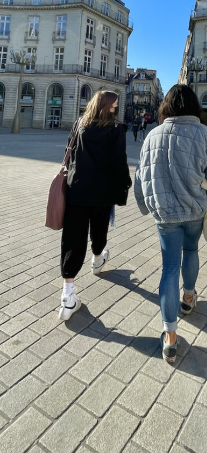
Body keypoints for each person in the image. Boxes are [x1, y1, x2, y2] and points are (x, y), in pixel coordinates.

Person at [134, 84, 207, 362]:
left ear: (166, 106)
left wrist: (144, 204)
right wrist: (200, 184)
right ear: (194, 106)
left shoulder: (152, 135)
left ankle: (170, 337)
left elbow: (141, 175)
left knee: (169, 267)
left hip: (165, 214)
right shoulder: (206, 134)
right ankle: (188, 298)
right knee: (192, 252)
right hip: (195, 209)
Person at [59, 90, 132, 321]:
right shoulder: (115, 129)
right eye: (114, 106)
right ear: (107, 107)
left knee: (72, 239)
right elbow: (119, 162)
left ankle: (67, 295)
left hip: (76, 190)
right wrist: (127, 181)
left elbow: (68, 154)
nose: (116, 109)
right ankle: (97, 258)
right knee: (99, 229)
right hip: (102, 192)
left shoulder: (79, 123)